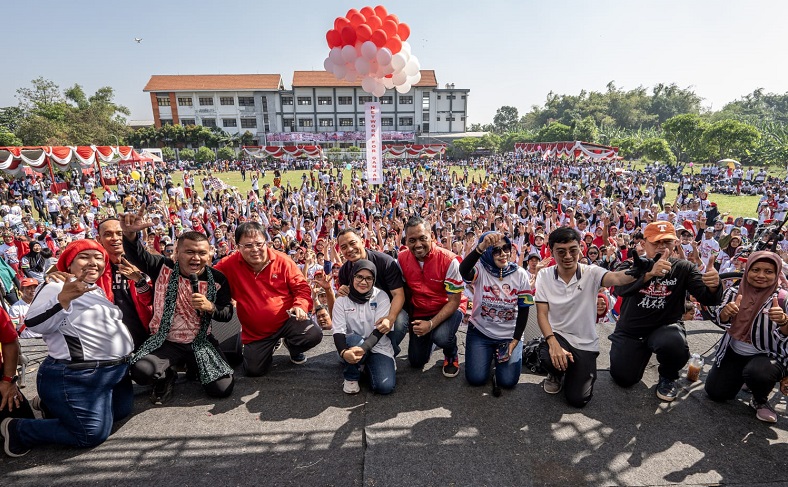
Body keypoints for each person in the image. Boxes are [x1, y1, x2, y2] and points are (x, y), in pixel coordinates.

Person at [0, 240, 133, 457]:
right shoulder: (55, 286)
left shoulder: (94, 289)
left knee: (121, 412)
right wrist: (63, 299)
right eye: (84, 257)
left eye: (98, 257)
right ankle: (18, 429)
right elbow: (33, 323)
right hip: (78, 375)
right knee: (91, 434)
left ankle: (53, 406)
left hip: (111, 374)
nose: (93, 262)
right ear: (69, 264)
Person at [120, 211, 235, 404]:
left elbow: (227, 314)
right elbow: (137, 256)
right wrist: (130, 236)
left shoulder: (218, 279)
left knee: (221, 389)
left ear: (209, 255)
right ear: (177, 253)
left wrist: (211, 307)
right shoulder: (162, 267)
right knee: (141, 372)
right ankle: (167, 375)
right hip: (165, 341)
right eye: (190, 252)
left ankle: (194, 367)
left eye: (202, 253)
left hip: (200, 341)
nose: (196, 258)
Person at [534, 227, 648, 408]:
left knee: (578, 400)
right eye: (561, 252)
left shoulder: (592, 272)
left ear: (580, 248)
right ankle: (555, 373)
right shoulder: (544, 275)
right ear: (551, 251)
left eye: (573, 250)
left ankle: (573, 369)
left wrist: (637, 272)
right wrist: (552, 343)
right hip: (558, 337)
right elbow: (541, 314)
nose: (568, 256)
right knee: (549, 358)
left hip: (585, 343)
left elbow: (616, 278)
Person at [610, 221, 722, 402]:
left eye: (667, 242)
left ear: (676, 243)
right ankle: (638, 353)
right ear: (644, 243)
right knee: (623, 379)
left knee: (674, 343)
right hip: (632, 330)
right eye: (656, 242)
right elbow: (619, 290)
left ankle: (668, 376)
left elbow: (708, 299)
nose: (662, 246)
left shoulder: (684, 268)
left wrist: (714, 286)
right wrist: (649, 274)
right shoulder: (631, 264)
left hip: (665, 327)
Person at [213, 221, 321, 376]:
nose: (255, 249)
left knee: (313, 334)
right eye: (248, 245)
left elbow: (301, 287)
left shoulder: (283, 260)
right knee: (253, 371)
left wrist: (300, 305)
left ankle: (291, 345)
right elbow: (207, 277)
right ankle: (267, 348)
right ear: (238, 247)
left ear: (267, 242)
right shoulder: (229, 264)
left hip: (287, 321)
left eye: (259, 244)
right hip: (256, 332)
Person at [705, 251, 788, 423]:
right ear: (747, 270)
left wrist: (784, 321)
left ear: (777, 273)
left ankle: (760, 400)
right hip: (734, 352)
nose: (761, 275)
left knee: (758, 373)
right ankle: (745, 379)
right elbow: (719, 318)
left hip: (767, 357)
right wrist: (725, 314)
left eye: (768, 271)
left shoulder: (783, 299)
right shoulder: (734, 291)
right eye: (755, 269)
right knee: (716, 393)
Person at [459, 232, 533, 392]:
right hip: (480, 332)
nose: (503, 254)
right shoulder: (480, 270)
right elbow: (463, 270)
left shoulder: (520, 274)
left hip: (508, 336)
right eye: (496, 250)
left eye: (506, 248)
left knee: (507, 382)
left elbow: (524, 309)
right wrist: (481, 247)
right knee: (476, 379)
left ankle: (495, 357)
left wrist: (515, 340)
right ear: (487, 253)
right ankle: (485, 355)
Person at [398, 216, 466, 378]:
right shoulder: (401, 259)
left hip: (448, 308)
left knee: (442, 337)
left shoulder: (449, 261)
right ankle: (432, 337)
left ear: (432, 237)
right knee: (416, 362)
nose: (418, 244)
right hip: (420, 310)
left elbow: (454, 301)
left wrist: (430, 324)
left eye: (423, 238)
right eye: (412, 240)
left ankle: (450, 352)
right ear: (406, 241)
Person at [335, 228, 408, 354]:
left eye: (353, 243)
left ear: (362, 241)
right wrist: (343, 292)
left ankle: (389, 349)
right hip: (363, 312)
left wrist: (390, 318)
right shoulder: (344, 271)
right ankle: (364, 350)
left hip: (389, 309)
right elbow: (343, 305)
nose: (350, 249)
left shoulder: (385, 262)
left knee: (400, 320)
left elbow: (398, 294)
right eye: (344, 247)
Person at [332, 259, 395, 395]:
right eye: (359, 277)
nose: (363, 282)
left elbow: (379, 330)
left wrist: (363, 349)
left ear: (374, 280)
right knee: (355, 339)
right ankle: (351, 377)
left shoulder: (381, 296)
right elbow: (338, 332)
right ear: (352, 276)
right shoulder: (342, 299)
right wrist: (344, 352)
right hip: (351, 344)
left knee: (384, 387)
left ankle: (363, 364)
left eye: (369, 278)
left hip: (376, 346)